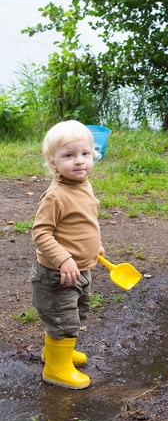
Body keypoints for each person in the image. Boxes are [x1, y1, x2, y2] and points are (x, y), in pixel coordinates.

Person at [30, 120, 105, 389]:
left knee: (76, 312)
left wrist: (94, 245)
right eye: (69, 155)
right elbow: (41, 234)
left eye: (84, 154)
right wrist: (63, 258)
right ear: (53, 163)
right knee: (62, 317)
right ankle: (56, 367)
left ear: (94, 154)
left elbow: (84, 221)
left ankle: (58, 351)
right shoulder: (55, 196)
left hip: (79, 270)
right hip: (55, 275)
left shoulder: (83, 185)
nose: (79, 161)